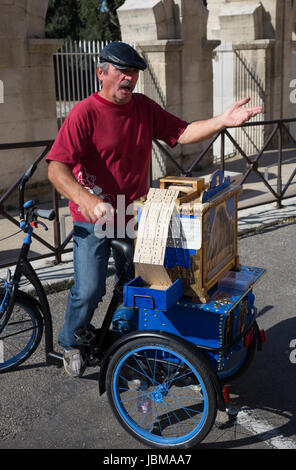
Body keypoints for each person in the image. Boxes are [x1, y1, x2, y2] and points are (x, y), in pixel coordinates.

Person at [47, 41, 262, 377]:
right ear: (101, 72)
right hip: (96, 217)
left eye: (133, 73)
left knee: (139, 284)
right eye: (121, 71)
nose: (128, 78)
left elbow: (183, 131)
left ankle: (123, 339)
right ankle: (71, 341)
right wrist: (86, 200)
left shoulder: (144, 108)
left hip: (134, 214)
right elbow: (56, 169)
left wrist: (222, 120)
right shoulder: (84, 113)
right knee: (89, 288)